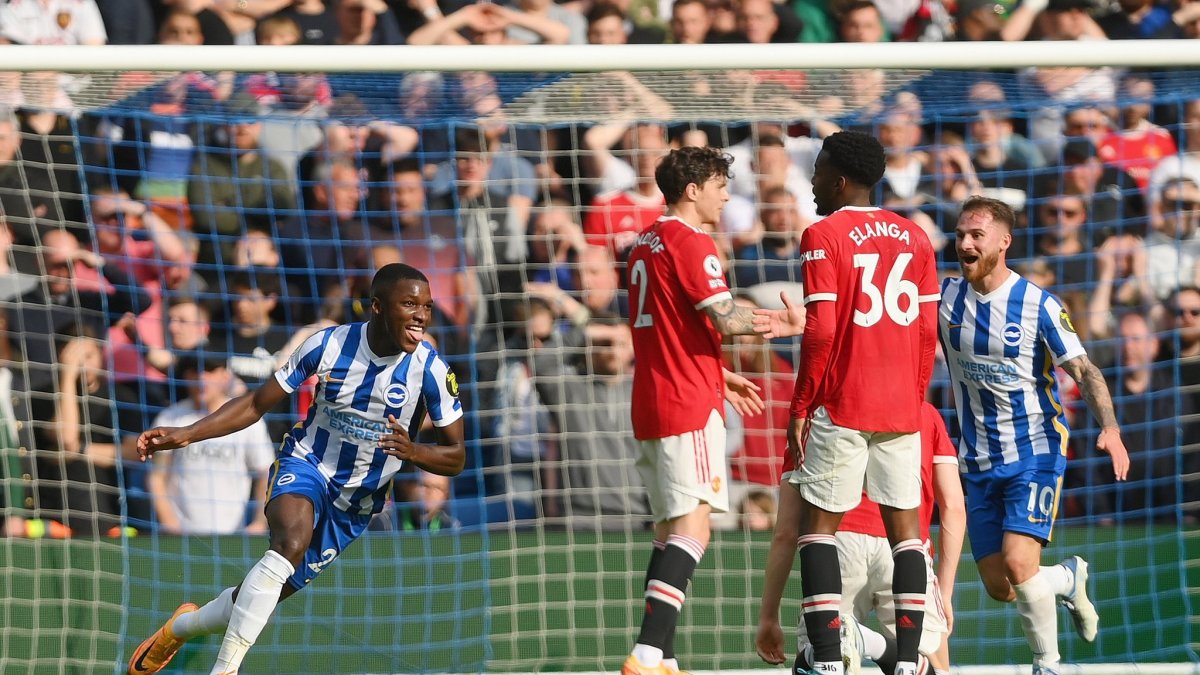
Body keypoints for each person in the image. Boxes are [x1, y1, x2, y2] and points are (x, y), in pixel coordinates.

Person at [126, 263, 465, 675]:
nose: (420, 316)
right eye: (409, 304)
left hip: (357, 501)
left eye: (426, 307)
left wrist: (414, 452)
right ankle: (225, 670)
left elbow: (456, 457)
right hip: (307, 464)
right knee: (289, 542)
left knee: (260, 594)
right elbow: (255, 404)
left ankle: (178, 629)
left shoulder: (431, 371)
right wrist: (188, 434)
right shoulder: (327, 346)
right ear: (377, 306)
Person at [753, 130, 940, 675]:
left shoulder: (823, 234)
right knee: (908, 534)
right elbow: (927, 330)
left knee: (818, 530)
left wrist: (802, 404)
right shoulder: (916, 236)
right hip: (902, 407)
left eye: (816, 172)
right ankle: (908, 664)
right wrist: (915, 394)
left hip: (843, 402)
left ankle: (830, 662)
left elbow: (821, 332)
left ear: (838, 179)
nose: (810, 183)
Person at [938, 196, 1130, 675]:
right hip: (977, 458)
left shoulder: (1038, 304)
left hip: (1036, 449)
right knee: (1000, 585)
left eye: (976, 235)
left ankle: (1047, 664)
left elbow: (1084, 370)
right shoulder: (942, 298)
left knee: (1019, 563)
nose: (965, 243)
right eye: (961, 233)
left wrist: (1111, 429)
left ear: (1004, 242)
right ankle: (1067, 577)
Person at [622, 146, 766, 675]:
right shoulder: (692, 240)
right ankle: (645, 650)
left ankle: (664, 655)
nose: (726, 195)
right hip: (686, 402)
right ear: (693, 190)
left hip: (654, 397)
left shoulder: (642, 242)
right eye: (720, 185)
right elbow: (727, 319)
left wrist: (716, 371)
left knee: (667, 533)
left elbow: (669, 326)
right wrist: (788, 321)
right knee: (695, 528)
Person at [754, 401, 964, 675]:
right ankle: (874, 645)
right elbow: (954, 507)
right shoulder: (924, 411)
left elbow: (785, 532)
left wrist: (769, 615)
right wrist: (945, 593)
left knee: (824, 662)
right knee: (930, 663)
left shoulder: (814, 413)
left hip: (834, 549)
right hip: (905, 549)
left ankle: (865, 642)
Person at [146, 356, 274, 535]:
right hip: (180, 537)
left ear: (225, 376)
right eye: (194, 372)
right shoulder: (169, 418)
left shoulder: (246, 420)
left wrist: (259, 523)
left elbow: (266, 473)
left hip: (234, 536)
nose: (201, 378)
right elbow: (156, 476)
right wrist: (169, 522)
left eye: (210, 371)